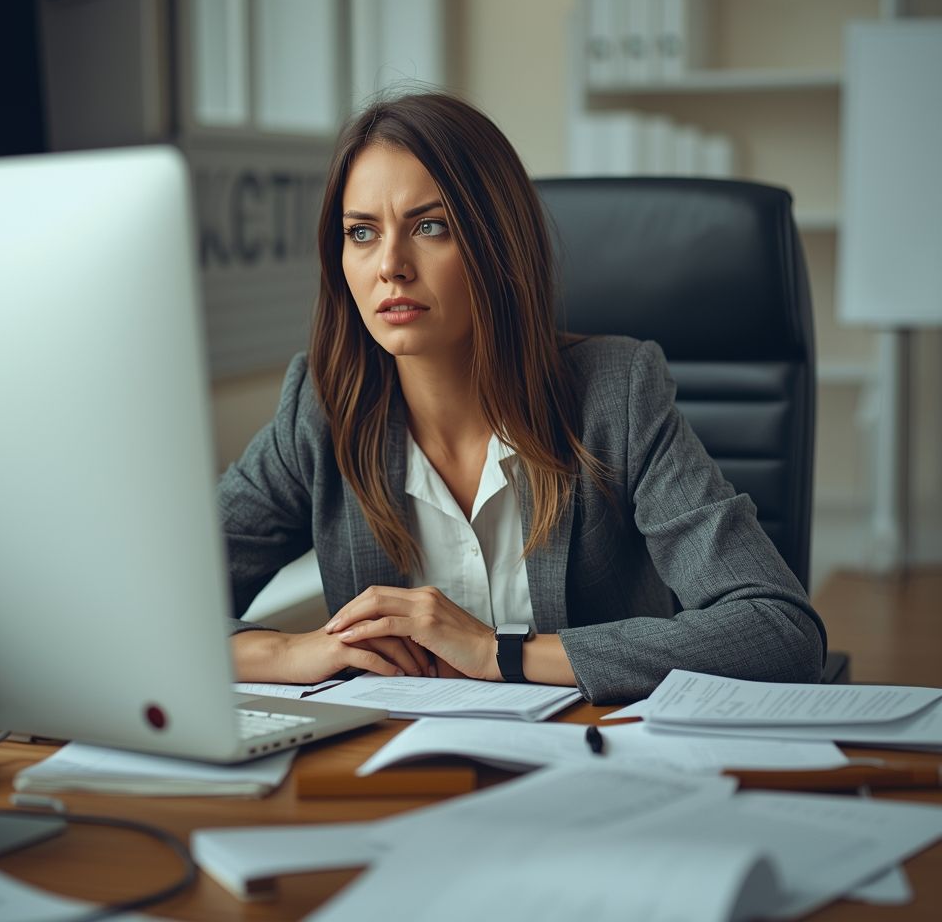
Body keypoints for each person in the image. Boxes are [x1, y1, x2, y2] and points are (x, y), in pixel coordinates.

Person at [219, 92, 826, 703]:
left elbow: (777, 628)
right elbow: (145, 607)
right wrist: (289, 650)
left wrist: (497, 653)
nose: (391, 266)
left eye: (431, 226)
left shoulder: (616, 395)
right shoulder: (320, 412)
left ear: (496, 242)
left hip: (594, 764)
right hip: (400, 773)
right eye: (362, 233)